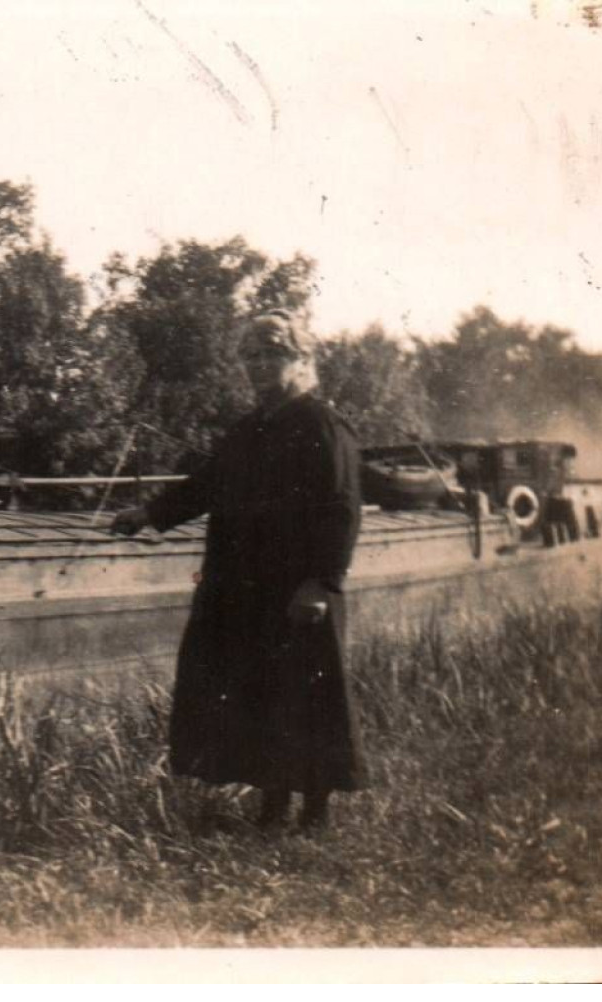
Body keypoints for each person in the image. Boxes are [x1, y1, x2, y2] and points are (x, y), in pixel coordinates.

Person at [111, 309, 365, 831]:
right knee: (266, 693)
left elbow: (342, 508)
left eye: (272, 353)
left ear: (301, 359)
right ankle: (273, 807)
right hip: (246, 588)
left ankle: (314, 814)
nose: (258, 364)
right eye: (250, 355)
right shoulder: (248, 430)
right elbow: (206, 484)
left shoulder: (322, 424)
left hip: (300, 589)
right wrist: (149, 514)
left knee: (307, 696)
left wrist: (321, 582)